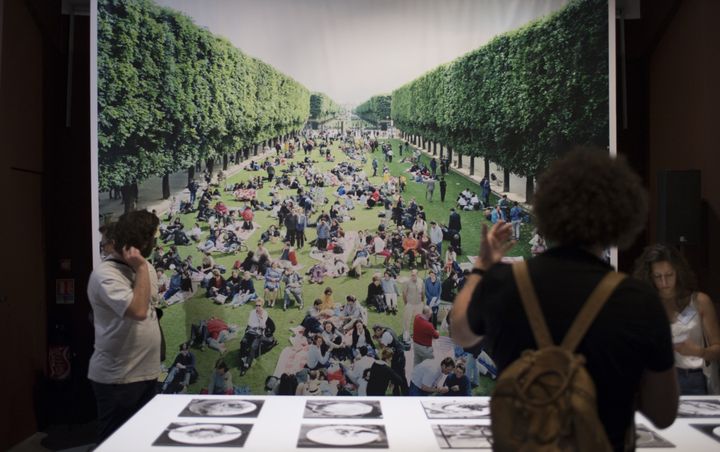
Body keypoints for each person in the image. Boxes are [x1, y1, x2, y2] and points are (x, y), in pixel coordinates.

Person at [450, 150, 678, 451]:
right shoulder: (638, 300)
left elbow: (460, 332)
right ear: (621, 217)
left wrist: (482, 267)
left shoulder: (505, 285)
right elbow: (662, 414)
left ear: (548, 209)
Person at [87, 210, 161, 442]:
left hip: (147, 373)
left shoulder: (144, 267)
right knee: (117, 444)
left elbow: (153, 301)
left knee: (145, 442)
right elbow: (138, 311)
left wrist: (141, 267)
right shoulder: (105, 275)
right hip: (119, 379)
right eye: (150, 238)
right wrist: (140, 268)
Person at [634, 244, 720, 395]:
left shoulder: (700, 301)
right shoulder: (645, 304)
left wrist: (698, 351)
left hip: (693, 378)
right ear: (650, 277)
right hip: (657, 378)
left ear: (678, 273)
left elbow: (717, 349)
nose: (664, 282)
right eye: (658, 277)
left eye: (669, 275)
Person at [402, 269, 425, 341]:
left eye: (414, 275)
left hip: (419, 304)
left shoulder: (421, 281)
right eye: (412, 275)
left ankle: (417, 333)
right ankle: (406, 334)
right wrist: (406, 303)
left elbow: (423, 292)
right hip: (410, 304)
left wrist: (422, 301)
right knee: (407, 320)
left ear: (417, 275)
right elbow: (404, 293)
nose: (413, 276)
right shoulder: (407, 282)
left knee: (418, 320)